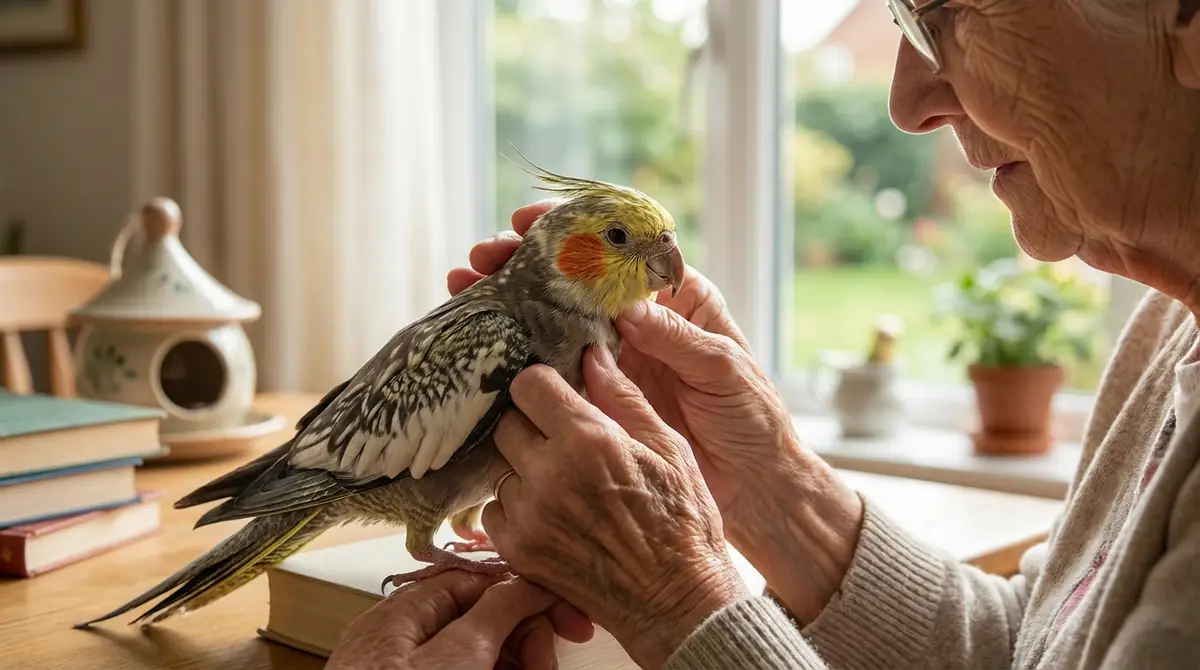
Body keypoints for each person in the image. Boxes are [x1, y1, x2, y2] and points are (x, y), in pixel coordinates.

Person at [329, 0, 1200, 667]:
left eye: (940, 9)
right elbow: (1039, 644)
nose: (906, 99)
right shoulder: (1170, 330)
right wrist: (764, 483)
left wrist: (677, 599)